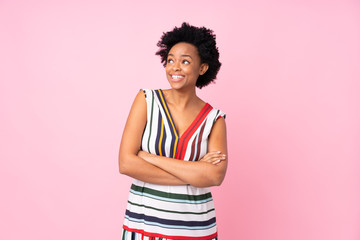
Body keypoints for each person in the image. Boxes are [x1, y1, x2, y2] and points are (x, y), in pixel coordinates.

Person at [118, 22, 228, 240]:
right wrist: (196, 174)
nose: (175, 67)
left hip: (196, 231)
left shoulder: (214, 119)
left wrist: (149, 158)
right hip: (144, 228)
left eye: (185, 61)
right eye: (170, 60)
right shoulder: (146, 101)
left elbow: (214, 176)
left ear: (202, 68)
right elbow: (126, 163)